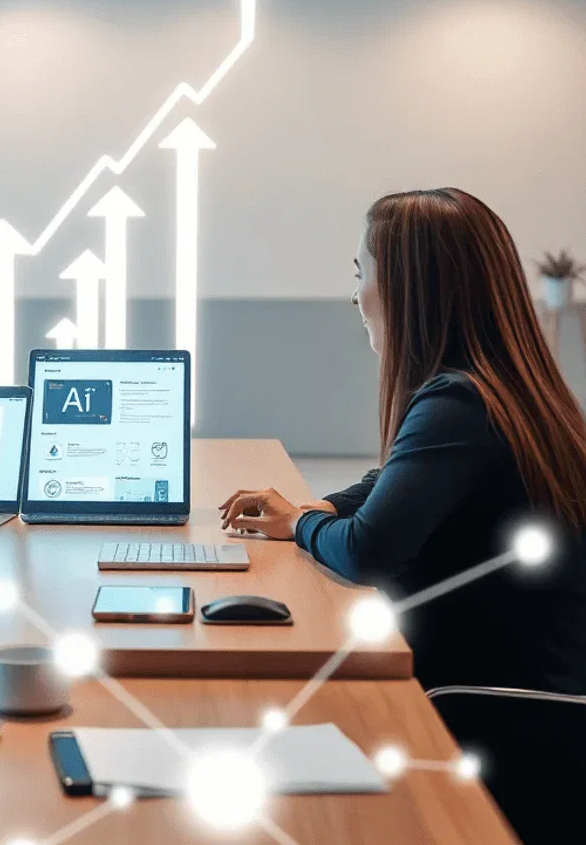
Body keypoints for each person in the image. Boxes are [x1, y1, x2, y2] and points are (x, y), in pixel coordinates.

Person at [219, 188, 586, 693]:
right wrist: (323, 505)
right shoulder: (504, 389)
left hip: (491, 711)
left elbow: (368, 551)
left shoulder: (457, 403)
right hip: (537, 699)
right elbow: (402, 474)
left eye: (360, 274)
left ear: (405, 288)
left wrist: (303, 522)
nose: (355, 296)